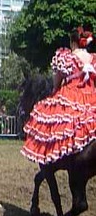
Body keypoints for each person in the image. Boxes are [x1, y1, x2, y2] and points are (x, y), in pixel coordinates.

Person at [21, 27, 96, 164]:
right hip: (92, 98)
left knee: (55, 125)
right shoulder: (94, 59)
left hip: (71, 96)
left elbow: (57, 82)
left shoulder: (66, 58)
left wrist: (54, 93)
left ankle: (60, 158)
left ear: (73, 42)